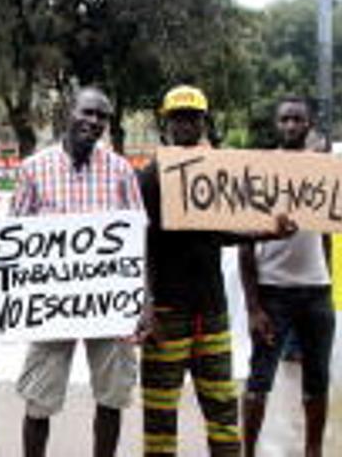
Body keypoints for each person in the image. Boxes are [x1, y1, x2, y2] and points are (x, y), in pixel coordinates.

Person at [134, 85, 296, 457]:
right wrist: (146, 302)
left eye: (192, 117)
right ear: (167, 124)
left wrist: (268, 230)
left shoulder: (218, 173)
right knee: (159, 413)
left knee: (222, 408)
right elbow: (139, 246)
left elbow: (226, 232)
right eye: (178, 117)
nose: (185, 124)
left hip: (212, 311)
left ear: (204, 122)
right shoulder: (150, 177)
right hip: (165, 313)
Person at [11, 87, 142, 457]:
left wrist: (142, 299)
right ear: (70, 112)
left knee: (112, 397)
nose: (94, 121)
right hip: (52, 306)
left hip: (110, 304)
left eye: (102, 116)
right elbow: (16, 234)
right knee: (39, 400)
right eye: (88, 112)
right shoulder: (34, 169)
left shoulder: (120, 171)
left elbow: (137, 238)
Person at [240, 97, 335, 457]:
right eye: (285, 120)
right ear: (275, 124)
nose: (291, 126)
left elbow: (325, 232)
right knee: (259, 380)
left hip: (317, 294)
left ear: (308, 125)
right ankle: (249, 452)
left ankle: (313, 451)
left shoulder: (323, 170)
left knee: (318, 380)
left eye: (298, 120)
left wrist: (320, 276)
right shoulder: (259, 170)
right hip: (272, 293)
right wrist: (253, 307)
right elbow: (245, 245)